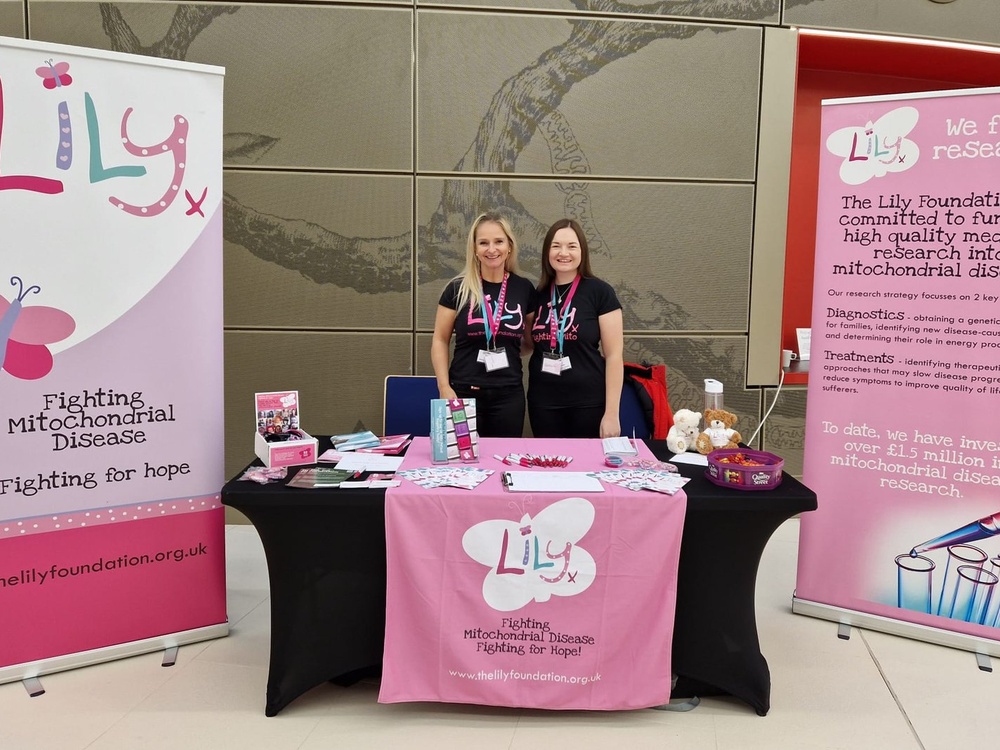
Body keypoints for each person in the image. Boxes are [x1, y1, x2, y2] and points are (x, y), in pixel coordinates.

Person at [431, 213, 536, 437]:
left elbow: (530, 340)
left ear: (509, 246)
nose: (492, 249)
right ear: (475, 249)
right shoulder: (457, 289)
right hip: (462, 393)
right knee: (462, 464)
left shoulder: (524, 289)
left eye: (498, 241)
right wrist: (444, 387)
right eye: (483, 243)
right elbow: (440, 340)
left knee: (502, 462)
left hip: (508, 396)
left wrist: (508, 348)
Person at [527, 218, 624, 439]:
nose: (564, 253)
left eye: (572, 246)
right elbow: (528, 343)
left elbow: (614, 356)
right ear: (547, 252)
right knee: (550, 468)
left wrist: (611, 413)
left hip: (588, 403)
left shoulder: (600, 292)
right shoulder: (538, 294)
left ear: (582, 251)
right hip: (543, 403)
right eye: (556, 246)